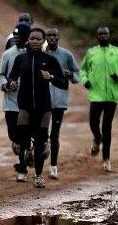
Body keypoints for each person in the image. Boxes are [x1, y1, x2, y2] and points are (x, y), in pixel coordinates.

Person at [8, 28, 67, 188]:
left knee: (41, 141)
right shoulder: (21, 59)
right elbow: (12, 76)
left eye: (38, 39)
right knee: (22, 138)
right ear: (28, 40)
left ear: (43, 41)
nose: (35, 41)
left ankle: (39, 175)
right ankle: (22, 169)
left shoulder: (49, 60)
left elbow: (63, 82)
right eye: (32, 39)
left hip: (44, 107)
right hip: (25, 105)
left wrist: (52, 77)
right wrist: (11, 83)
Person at [80, 27, 118, 172]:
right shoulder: (91, 52)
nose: (103, 36)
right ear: (97, 36)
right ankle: (97, 138)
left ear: (109, 35)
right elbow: (82, 70)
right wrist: (85, 80)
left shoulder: (116, 52)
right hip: (96, 95)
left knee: (107, 127)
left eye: (105, 34)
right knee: (93, 123)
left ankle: (106, 159)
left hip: (111, 96)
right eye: (100, 34)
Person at [45, 28, 80, 179]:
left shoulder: (66, 55)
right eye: (49, 35)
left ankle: (53, 167)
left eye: (54, 35)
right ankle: (38, 155)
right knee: (40, 132)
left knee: (55, 135)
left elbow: (77, 75)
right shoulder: (41, 54)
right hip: (42, 100)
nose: (52, 38)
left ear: (59, 37)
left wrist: (71, 74)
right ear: (46, 37)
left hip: (59, 101)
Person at [0, 23, 34, 168]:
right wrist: (7, 85)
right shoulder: (8, 54)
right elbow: (1, 75)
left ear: (26, 37)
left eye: (19, 35)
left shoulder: (33, 54)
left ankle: (23, 164)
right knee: (13, 135)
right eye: (14, 35)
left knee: (24, 131)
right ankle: (28, 145)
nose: (16, 38)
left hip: (28, 102)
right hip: (11, 102)